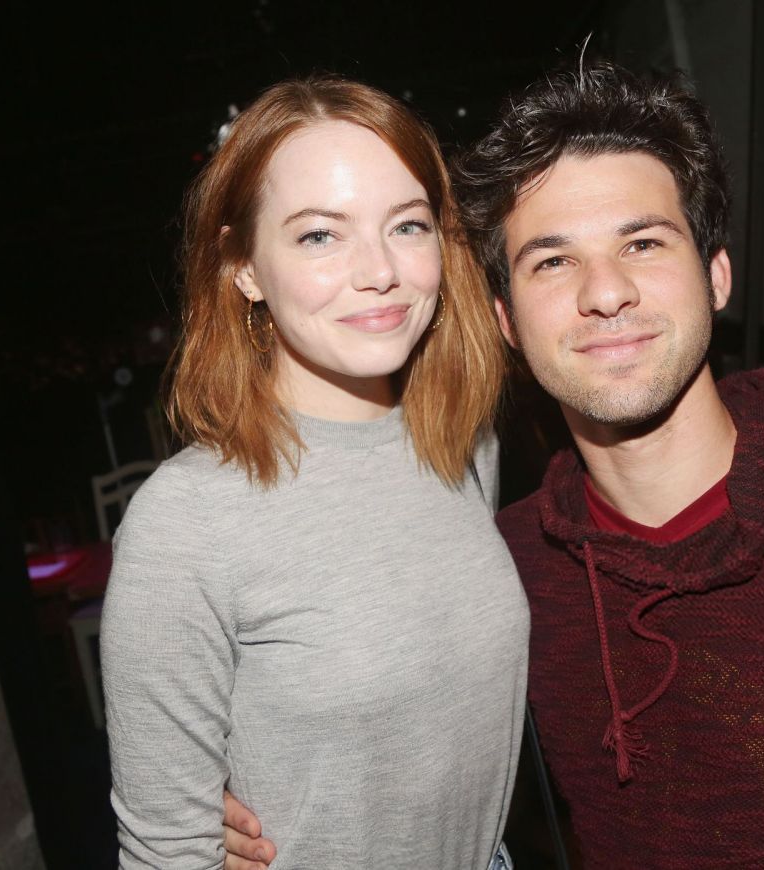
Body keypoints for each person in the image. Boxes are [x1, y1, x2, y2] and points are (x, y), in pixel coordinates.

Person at [219, 62, 764, 868]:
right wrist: (251, 818)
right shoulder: (505, 568)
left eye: (643, 244)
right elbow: (392, 724)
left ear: (716, 275)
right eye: (553, 260)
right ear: (506, 322)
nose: (606, 293)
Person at [100, 76, 529, 870]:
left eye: (407, 225)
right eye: (319, 237)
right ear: (244, 266)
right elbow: (166, 853)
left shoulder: (466, 447)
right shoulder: (186, 523)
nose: (380, 272)